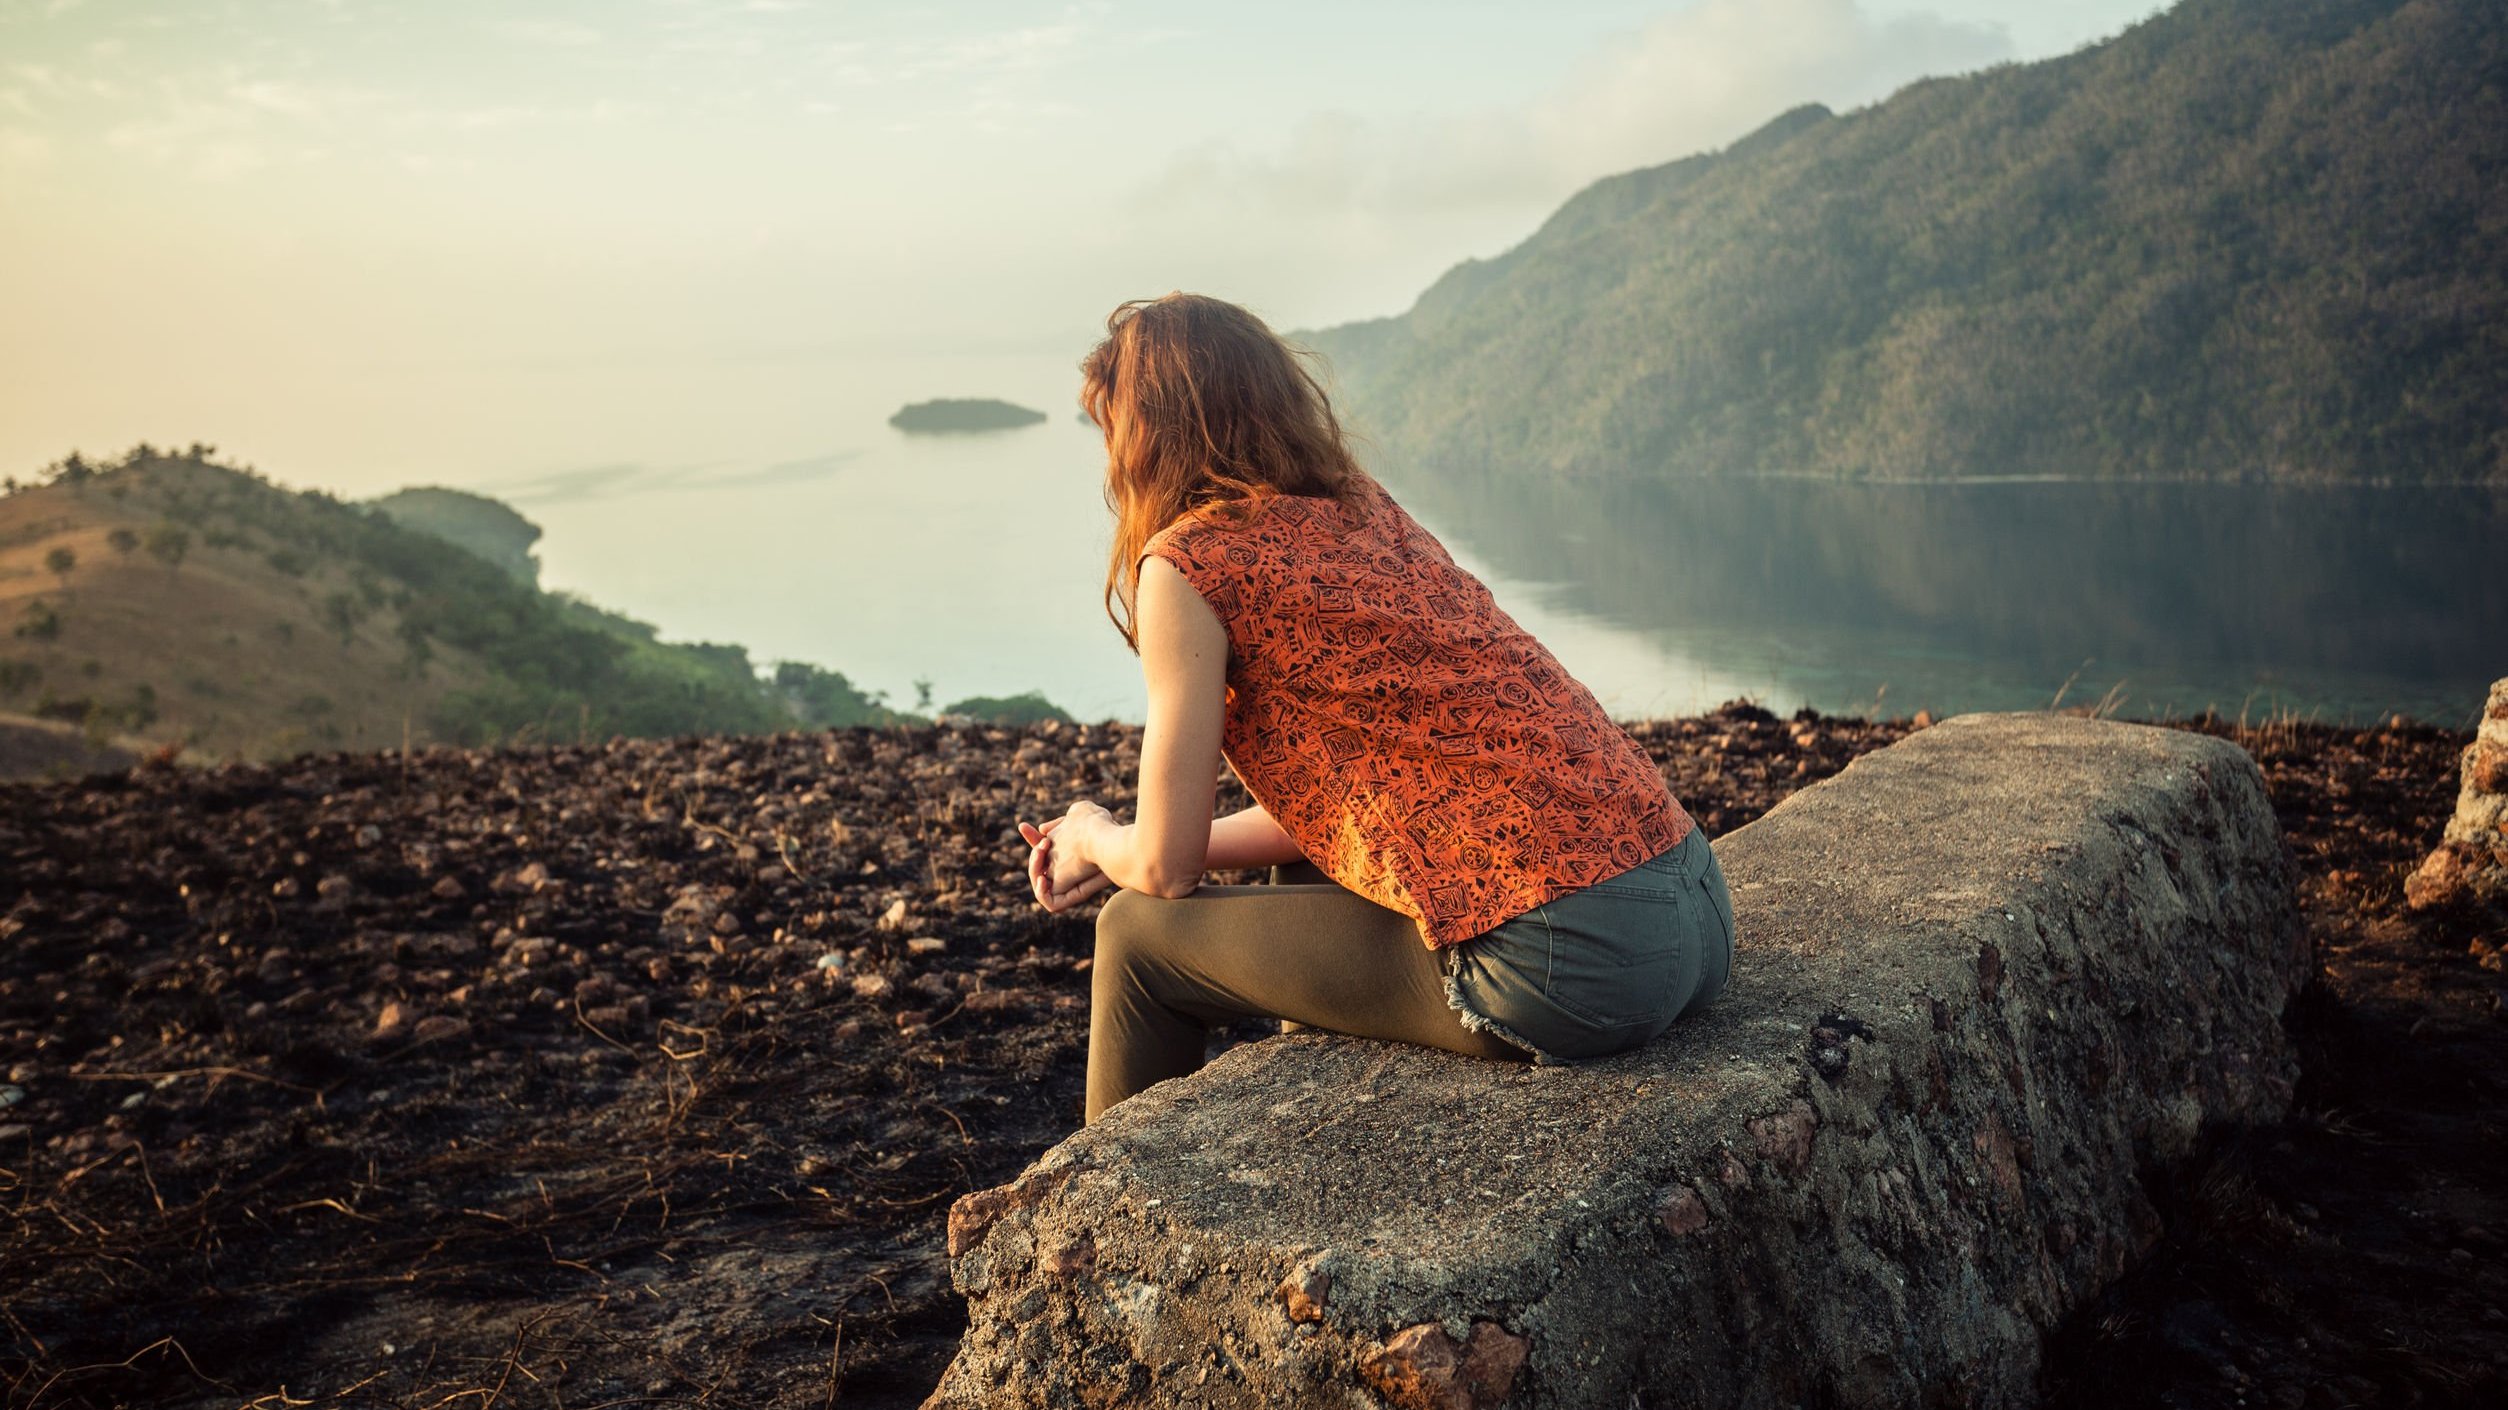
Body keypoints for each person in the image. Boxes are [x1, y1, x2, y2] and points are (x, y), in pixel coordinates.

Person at [1020, 292, 1734, 1125]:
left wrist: (1092, 835)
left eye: (1112, 428)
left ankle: (1107, 1231)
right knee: (1307, 868)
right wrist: (1149, 845)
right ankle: (1327, 1128)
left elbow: (1165, 872)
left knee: (1133, 936)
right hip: (1695, 909)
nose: (1108, 458)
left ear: (1147, 432)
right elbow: (1336, 811)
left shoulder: (1189, 564)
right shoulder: (1360, 509)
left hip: (1574, 963)